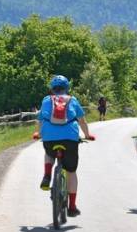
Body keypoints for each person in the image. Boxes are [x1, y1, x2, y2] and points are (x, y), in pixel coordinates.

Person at [38, 75, 95, 217]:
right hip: (70, 138)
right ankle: (72, 207)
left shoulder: (46, 100)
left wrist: (38, 133)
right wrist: (87, 135)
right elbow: (82, 120)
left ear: (52, 88)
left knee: (49, 153)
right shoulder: (72, 100)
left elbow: (41, 119)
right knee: (71, 172)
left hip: (50, 137)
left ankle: (47, 175)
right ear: (67, 88)